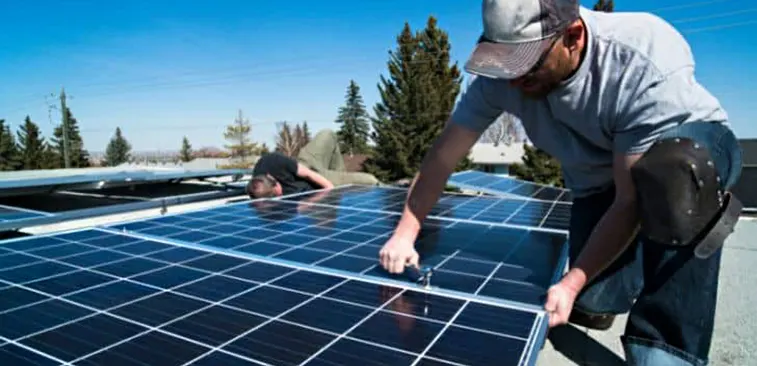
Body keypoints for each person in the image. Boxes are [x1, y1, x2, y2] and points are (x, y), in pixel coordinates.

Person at [377, 1, 743, 365]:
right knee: (595, 298)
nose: (515, 81)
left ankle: (666, 350)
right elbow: (444, 155)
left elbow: (629, 200)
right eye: (506, 65)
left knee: (676, 178)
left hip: (688, 154)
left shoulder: (641, 55)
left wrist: (570, 283)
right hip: (599, 182)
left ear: (573, 36)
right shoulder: (501, 76)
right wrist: (406, 232)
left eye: (528, 67)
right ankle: (623, 274)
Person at [247, 129, 381, 198]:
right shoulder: (258, 194)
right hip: (311, 189)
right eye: (276, 196)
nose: (280, 194)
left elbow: (309, 174)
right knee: (370, 180)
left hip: (310, 170)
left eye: (278, 191)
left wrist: (332, 192)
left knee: (328, 134)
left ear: (271, 178)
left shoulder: (273, 161)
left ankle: (339, 175)